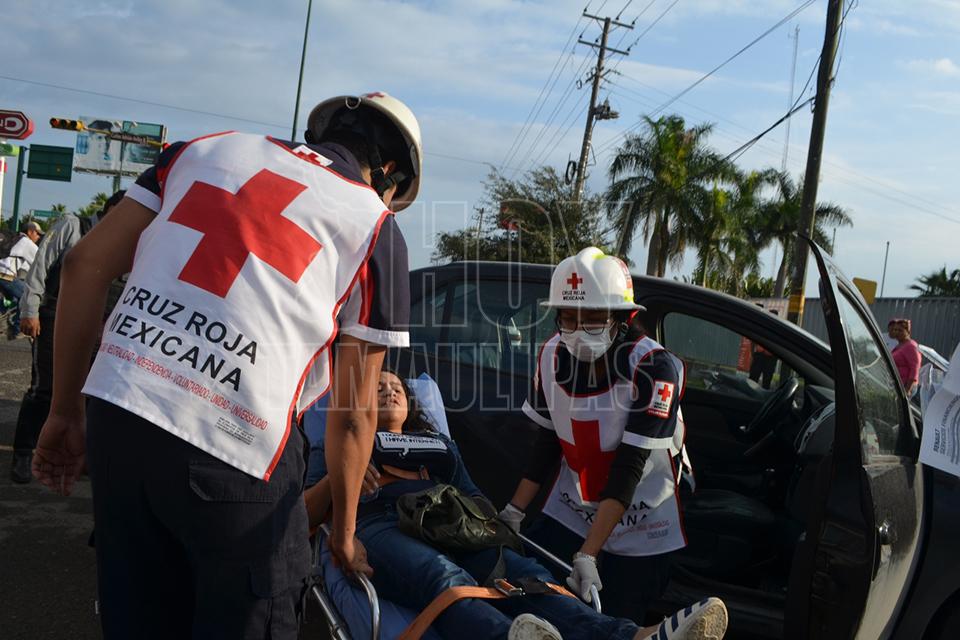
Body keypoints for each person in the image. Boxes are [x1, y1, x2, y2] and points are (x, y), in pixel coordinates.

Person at [31, 91, 420, 639]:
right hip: (236, 447)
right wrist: (344, 534)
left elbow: (83, 265)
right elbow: (354, 415)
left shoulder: (200, 150)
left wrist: (65, 411)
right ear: (388, 174)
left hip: (122, 415)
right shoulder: (375, 224)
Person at [304, 370, 728, 640]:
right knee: (442, 574)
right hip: (378, 523)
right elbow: (305, 514)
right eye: (377, 388)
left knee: (526, 574)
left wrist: (492, 532)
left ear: (411, 403)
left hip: (449, 520)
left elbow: (474, 497)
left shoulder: (438, 445)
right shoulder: (338, 447)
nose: (389, 391)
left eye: (396, 387)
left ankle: (634, 636)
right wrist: (341, 478)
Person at [500, 247, 689, 625]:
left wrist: (588, 554)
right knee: (531, 600)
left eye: (593, 319)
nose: (578, 331)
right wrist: (514, 511)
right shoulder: (550, 356)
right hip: (572, 509)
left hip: (641, 521)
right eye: (568, 319)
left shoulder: (654, 367)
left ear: (622, 318)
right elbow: (548, 441)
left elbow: (630, 466)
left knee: (614, 617)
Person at [9, 194, 124, 484]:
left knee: (91, 392)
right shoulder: (72, 226)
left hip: (100, 326)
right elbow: (39, 268)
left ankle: (77, 457)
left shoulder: (127, 241)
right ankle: (23, 453)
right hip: (54, 317)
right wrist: (30, 310)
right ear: (110, 209)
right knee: (44, 388)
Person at [0, 220, 43, 339]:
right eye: (37, 233)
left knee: (11, 298)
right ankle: (18, 329)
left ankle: (2, 319)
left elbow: (27, 268)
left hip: (4, 275)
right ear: (30, 232)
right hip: (4, 275)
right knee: (26, 295)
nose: (39, 237)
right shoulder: (26, 243)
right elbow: (41, 261)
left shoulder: (15, 240)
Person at [889, 318, 921, 395]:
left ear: (907, 332)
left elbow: (915, 369)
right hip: (897, 385)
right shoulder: (900, 345)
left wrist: (907, 389)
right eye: (895, 330)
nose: (897, 332)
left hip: (905, 386)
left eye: (900, 330)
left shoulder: (911, 346)